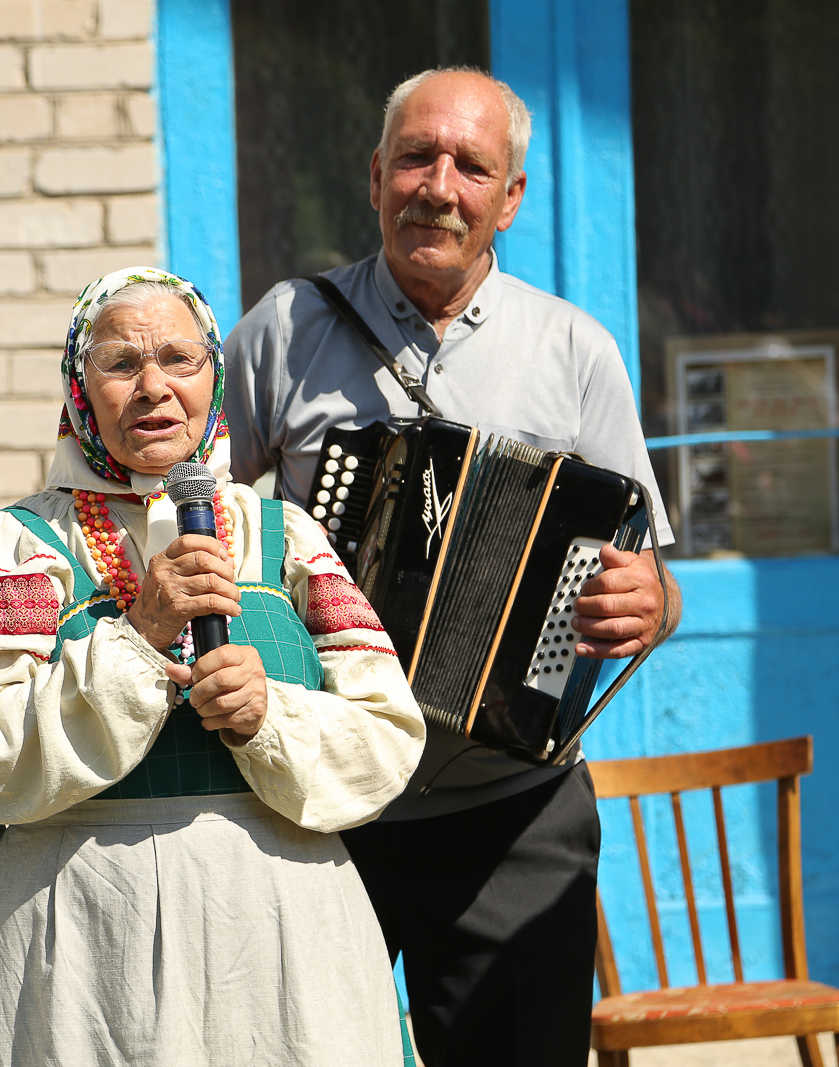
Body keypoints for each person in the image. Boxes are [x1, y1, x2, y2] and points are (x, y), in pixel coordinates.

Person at [223, 68, 684, 1067]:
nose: (438, 187)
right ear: (374, 175)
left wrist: (650, 603)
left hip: (508, 808)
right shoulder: (285, 328)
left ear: (508, 199)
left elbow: (649, 577)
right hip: (323, 795)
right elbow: (193, 509)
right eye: (415, 158)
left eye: (471, 167)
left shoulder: (575, 349)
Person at [0, 266, 426, 1066]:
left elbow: (387, 736)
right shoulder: (18, 545)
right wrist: (139, 636)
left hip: (285, 939)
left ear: (214, 376)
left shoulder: (287, 536)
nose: (153, 386)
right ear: (79, 389)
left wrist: (270, 716)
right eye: (121, 363)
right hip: (84, 940)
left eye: (179, 359)